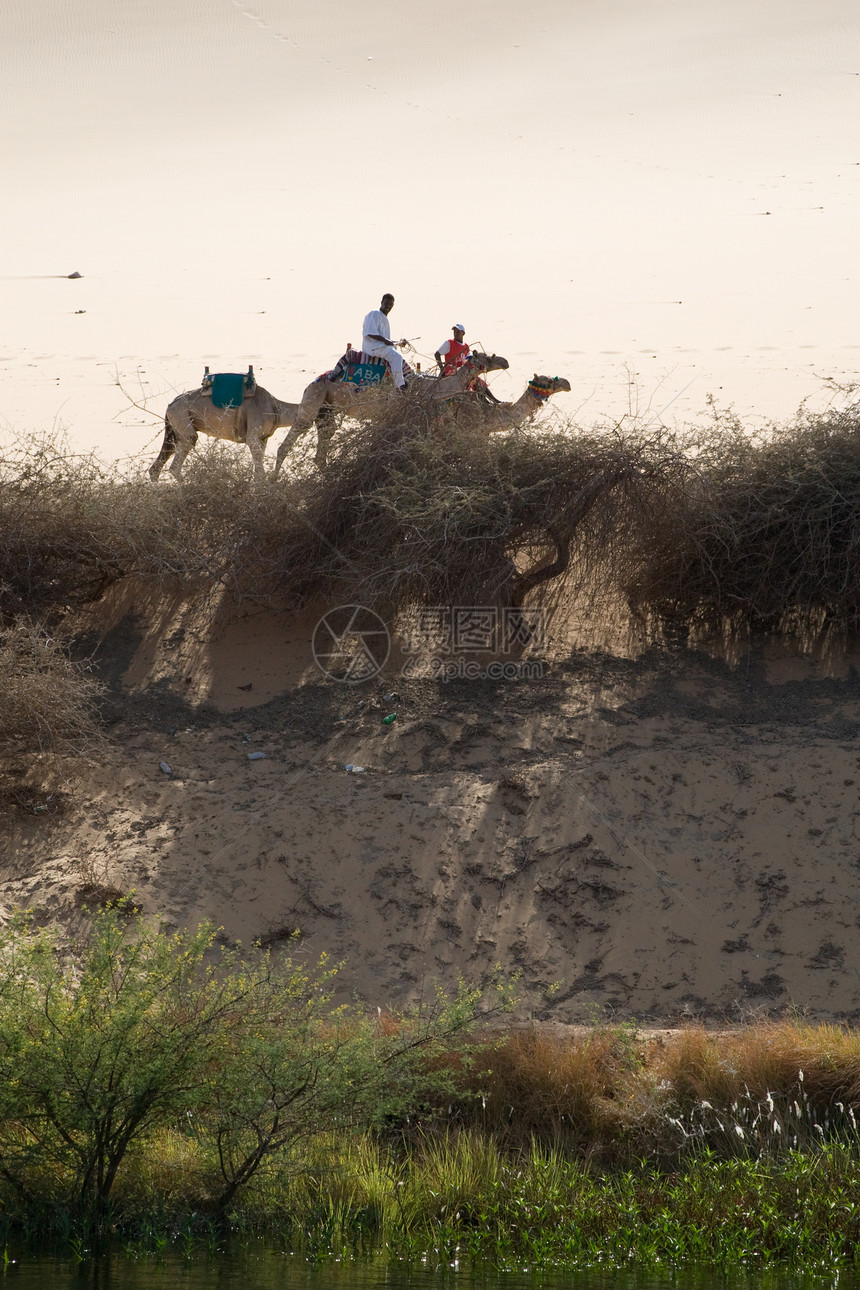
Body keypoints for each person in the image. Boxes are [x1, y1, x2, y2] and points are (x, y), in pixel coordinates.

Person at [362, 293, 408, 389]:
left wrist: (399, 343)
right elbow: (370, 333)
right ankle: (400, 386)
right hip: (373, 348)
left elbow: (387, 341)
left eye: (390, 304)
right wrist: (386, 340)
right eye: (386, 303)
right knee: (397, 358)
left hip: (381, 347)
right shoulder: (374, 314)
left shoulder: (385, 319)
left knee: (396, 355)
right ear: (381, 302)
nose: (388, 306)